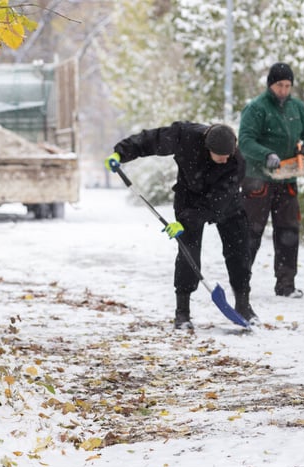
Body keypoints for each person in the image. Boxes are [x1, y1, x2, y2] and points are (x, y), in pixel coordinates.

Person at [105, 122, 258, 330]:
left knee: (239, 252)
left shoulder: (236, 161)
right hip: (189, 199)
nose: (225, 160)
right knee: (188, 252)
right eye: (220, 155)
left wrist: (186, 222)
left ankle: (243, 305)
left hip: (226, 204)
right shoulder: (185, 136)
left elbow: (217, 201)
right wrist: (121, 153)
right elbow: (151, 139)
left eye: (228, 155)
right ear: (207, 146)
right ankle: (182, 311)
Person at [239, 62, 304, 298]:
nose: (284, 90)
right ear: (270, 85)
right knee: (251, 233)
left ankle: (286, 285)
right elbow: (245, 141)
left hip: (287, 179)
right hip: (258, 180)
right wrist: (266, 154)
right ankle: (240, 282)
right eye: (279, 85)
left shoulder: (297, 108)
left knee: (288, 231)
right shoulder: (256, 109)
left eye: (288, 85)